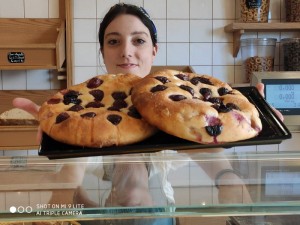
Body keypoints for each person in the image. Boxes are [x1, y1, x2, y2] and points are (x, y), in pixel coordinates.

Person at [12, 3, 284, 224]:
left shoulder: (173, 108)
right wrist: (58, 135)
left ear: (154, 50)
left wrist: (230, 170)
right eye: (114, 41)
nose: (126, 52)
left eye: (138, 40)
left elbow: (204, 140)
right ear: (102, 52)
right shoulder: (87, 114)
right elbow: (65, 195)